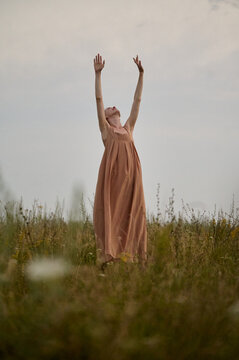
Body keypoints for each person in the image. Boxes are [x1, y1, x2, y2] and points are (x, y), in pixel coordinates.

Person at [93, 53, 147, 270]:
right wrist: (97, 75)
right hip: (114, 183)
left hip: (132, 180)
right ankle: (107, 262)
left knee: (135, 215)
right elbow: (98, 100)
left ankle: (136, 262)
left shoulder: (128, 128)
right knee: (112, 215)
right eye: (108, 108)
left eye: (112, 106)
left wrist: (141, 74)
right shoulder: (106, 132)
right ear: (106, 117)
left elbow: (137, 101)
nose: (110, 106)